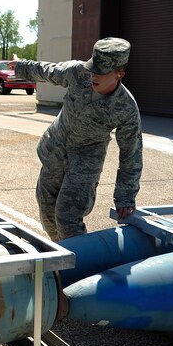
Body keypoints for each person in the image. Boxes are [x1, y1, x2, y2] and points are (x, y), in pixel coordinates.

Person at [12, 37, 142, 241]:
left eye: (101, 71)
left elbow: (131, 154)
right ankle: (62, 255)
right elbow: (49, 71)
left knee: (67, 217)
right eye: (93, 68)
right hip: (55, 150)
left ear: (119, 73)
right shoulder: (79, 73)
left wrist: (125, 197)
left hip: (85, 161)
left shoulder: (126, 108)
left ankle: (78, 264)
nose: (93, 75)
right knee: (47, 210)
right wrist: (20, 66)